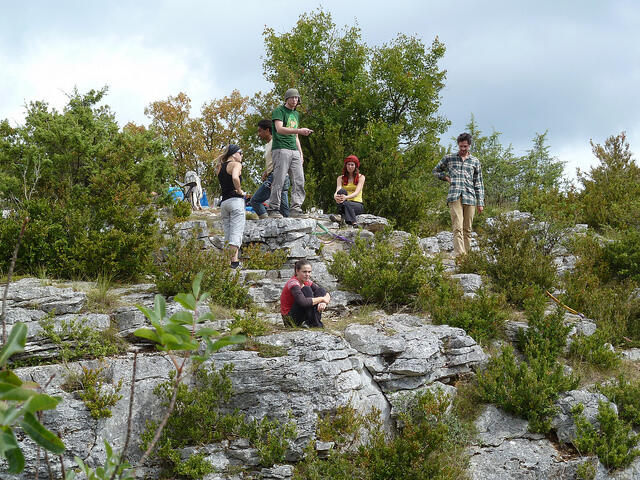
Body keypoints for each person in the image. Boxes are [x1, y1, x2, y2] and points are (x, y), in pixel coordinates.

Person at [432, 132, 485, 258]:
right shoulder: (449, 158)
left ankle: (467, 259)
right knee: (457, 227)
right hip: (454, 196)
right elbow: (435, 170)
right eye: (461, 146)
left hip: (470, 197)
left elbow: (478, 182)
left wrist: (480, 203)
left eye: (465, 146)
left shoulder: (475, 161)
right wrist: (446, 178)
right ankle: (460, 258)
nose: (463, 149)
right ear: (458, 145)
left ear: (469, 146)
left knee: (467, 229)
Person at [266, 88, 314, 219]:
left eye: (296, 98)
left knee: (299, 180)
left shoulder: (296, 114)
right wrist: (299, 130)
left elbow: (296, 136)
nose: (294, 100)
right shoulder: (279, 111)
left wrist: (300, 152)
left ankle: (296, 209)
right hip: (281, 148)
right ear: (287, 98)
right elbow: (279, 129)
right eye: (292, 97)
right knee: (279, 179)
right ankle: (273, 208)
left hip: (294, 150)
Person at [249, 119, 290, 219]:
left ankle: (267, 222)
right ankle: (285, 225)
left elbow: (282, 160)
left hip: (277, 176)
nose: (258, 134)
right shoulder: (268, 144)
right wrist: (266, 172)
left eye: (260, 131)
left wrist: (275, 179)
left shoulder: (276, 142)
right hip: (278, 175)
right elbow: (273, 161)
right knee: (283, 208)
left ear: (267, 130)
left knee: (255, 200)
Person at [216, 144, 246, 269]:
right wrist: (239, 190)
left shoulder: (219, 167)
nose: (242, 156)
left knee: (228, 233)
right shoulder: (236, 164)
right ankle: (234, 262)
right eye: (240, 153)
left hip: (224, 203)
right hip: (235, 201)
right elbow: (234, 177)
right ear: (234, 154)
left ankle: (227, 261)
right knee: (236, 232)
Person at [280, 259, 331, 328]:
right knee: (306, 289)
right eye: (304, 272)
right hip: (290, 319)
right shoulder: (293, 283)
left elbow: (324, 292)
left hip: (301, 315)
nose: (307, 274)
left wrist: (324, 302)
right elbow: (303, 302)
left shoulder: (306, 281)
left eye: (309, 272)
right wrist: (322, 299)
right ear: (297, 271)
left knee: (321, 290)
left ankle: (312, 322)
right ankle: (315, 323)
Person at [330, 155, 365, 227]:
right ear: (346, 165)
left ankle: (346, 219)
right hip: (344, 203)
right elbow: (338, 189)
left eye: (352, 165)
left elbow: (356, 192)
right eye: (348, 164)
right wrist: (335, 196)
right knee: (341, 191)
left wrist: (346, 197)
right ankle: (346, 219)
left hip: (357, 204)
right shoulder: (340, 178)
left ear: (355, 166)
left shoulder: (361, 177)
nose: (350, 166)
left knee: (347, 204)